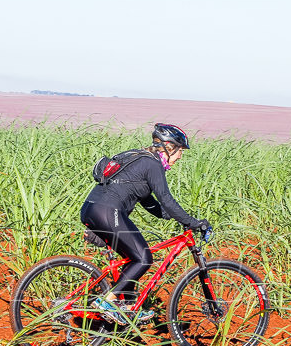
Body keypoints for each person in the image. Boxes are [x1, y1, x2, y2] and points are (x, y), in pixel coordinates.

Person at [80, 123, 210, 325]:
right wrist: (193, 223)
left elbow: (150, 204)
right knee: (144, 257)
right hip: (107, 211)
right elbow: (166, 199)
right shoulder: (153, 165)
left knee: (132, 258)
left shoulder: (141, 160)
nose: (180, 157)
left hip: (92, 208)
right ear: (169, 147)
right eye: (180, 152)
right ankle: (107, 302)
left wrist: (175, 217)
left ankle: (128, 308)